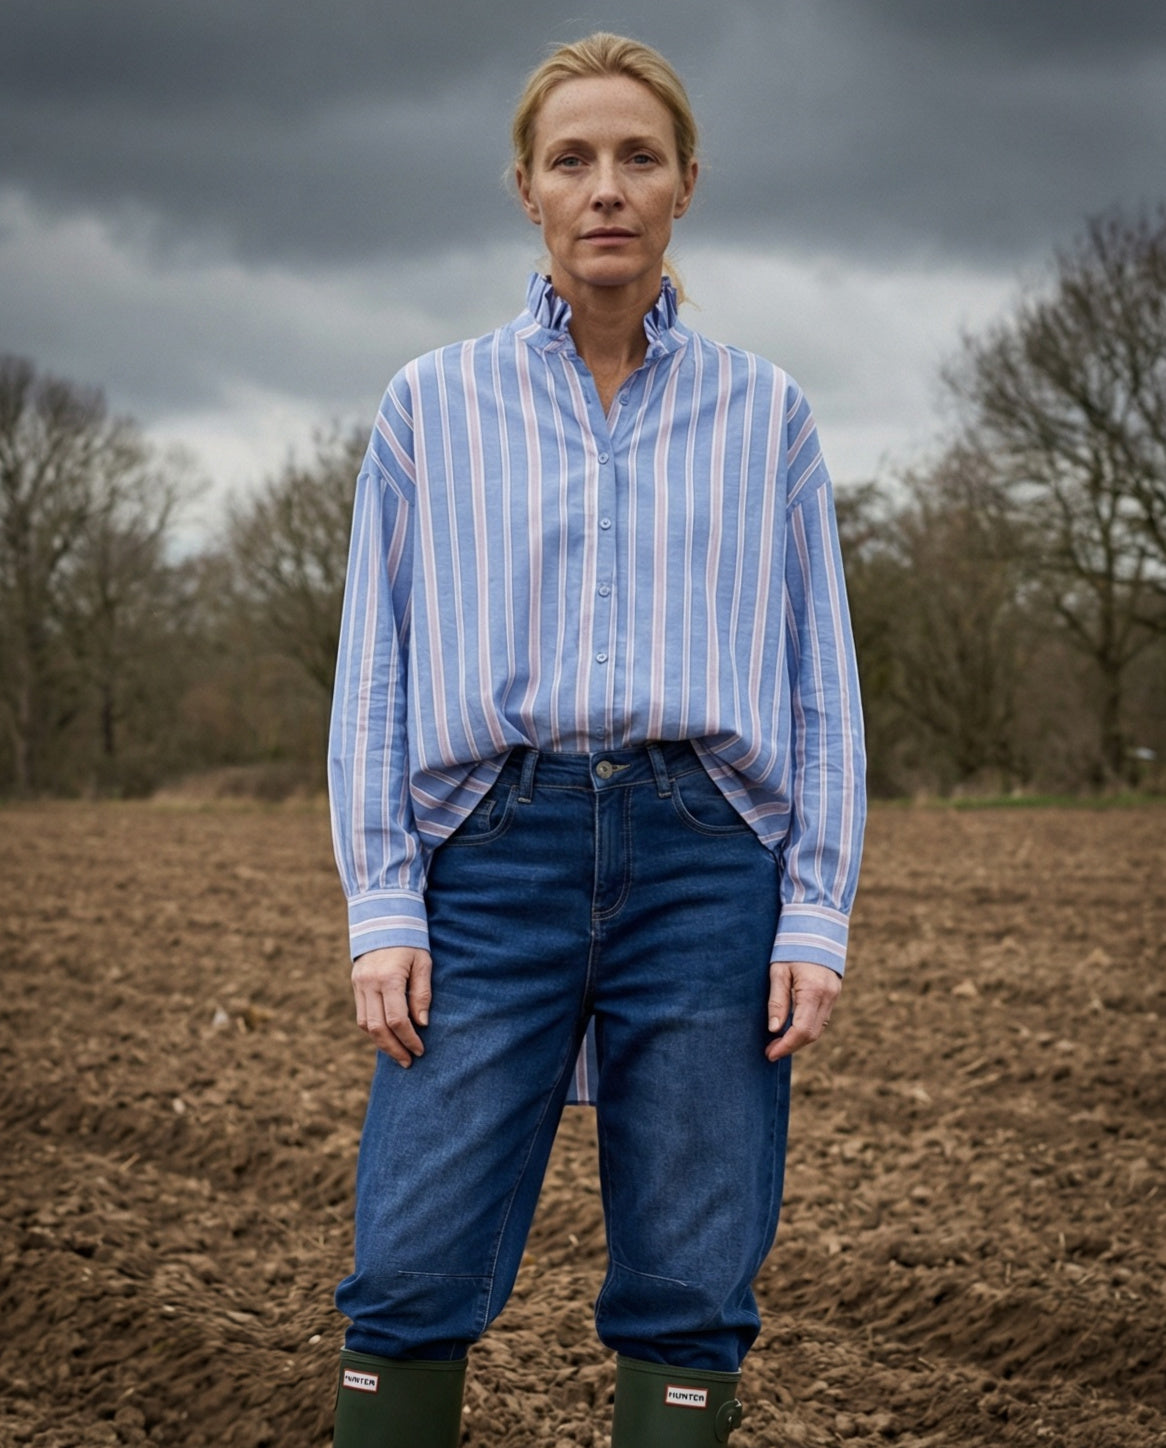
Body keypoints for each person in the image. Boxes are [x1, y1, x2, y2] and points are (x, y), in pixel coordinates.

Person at [327, 31, 865, 1448]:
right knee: (407, 1267)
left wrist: (811, 915)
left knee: (692, 1282)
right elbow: (373, 675)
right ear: (526, 189)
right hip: (487, 859)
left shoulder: (769, 419)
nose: (605, 187)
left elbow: (821, 688)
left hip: (707, 867)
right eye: (573, 159)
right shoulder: (429, 408)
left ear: (687, 184)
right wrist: (384, 903)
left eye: (637, 157)